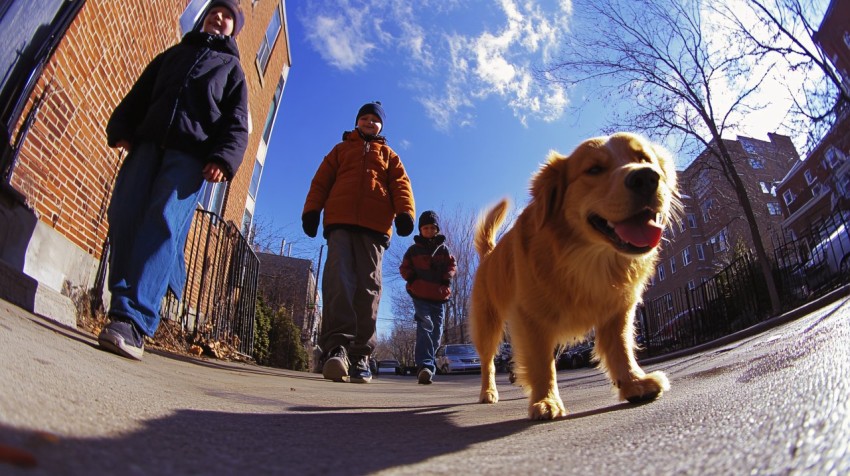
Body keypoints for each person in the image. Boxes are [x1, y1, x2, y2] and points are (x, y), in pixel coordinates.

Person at [97, 0, 249, 360]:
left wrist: (222, 160)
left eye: (228, 16)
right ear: (205, 16)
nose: (220, 17)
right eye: (216, 11)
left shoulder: (232, 70)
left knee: (163, 223)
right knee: (124, 212)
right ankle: (123, 303)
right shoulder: (174, 54)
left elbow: (237, 124)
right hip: (148, 144)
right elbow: (141, 92)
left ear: (234, 29)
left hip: (190, 156)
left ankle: (133, 320)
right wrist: (122, 127)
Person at [302, 101, 415, 383]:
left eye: (374, 120)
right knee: (338, 281)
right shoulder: (340, 151)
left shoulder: (389, 156)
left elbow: (401, 185)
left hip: (374, 229)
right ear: (356, 122)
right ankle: (336, 349)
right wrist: (312, 211)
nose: (369, 122)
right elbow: (320, 182)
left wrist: (405, 213)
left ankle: (361, 355)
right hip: (339, 224)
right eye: (364, 118)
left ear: (381, 126)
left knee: (369, 287)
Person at [399, 211, 456, 384]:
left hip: (438, 296)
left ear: (437, 230)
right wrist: (412, 279)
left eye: (432, 228)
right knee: (425, 325)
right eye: (425, 228)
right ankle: (425, 366)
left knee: (437, 331)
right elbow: (404, 267)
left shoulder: (444, 249)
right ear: (420, 230)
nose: (429, 231)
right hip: (420, 294)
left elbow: (452, 265)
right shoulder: (413, 250)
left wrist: (447, 278)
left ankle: (429, 361)